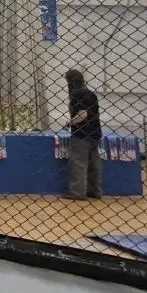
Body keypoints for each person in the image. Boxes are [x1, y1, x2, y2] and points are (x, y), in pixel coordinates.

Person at [64, 68, 102, 200]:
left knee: (78, 162)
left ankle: (78, 193)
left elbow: (82, 115)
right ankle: (94, 191)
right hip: (95, 131)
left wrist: (70, 123)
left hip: (81, 132)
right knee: (94, 163)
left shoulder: (76, 94)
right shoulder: (90, 93)